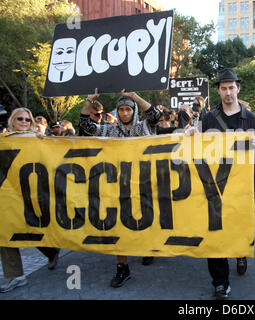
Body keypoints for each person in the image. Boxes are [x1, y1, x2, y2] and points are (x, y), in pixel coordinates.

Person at [79, 88, 163, 288]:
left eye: (128, 109)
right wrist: (89, 101)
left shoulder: (144, 128)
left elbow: (155, 115)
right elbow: (85, 125)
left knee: (145, 219)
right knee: (120, 224)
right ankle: (122, 266)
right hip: (118, 185)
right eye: (122, 110)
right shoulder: (109, 130)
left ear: (134, 111)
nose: (125, 113)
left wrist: (134, 96)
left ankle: (148, 248)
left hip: (143, 183)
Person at [201, 68, 255, 299]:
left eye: (231, 87)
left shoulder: (252, 120)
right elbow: (202, 151)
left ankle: (240, 251)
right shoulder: (207, 119)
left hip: (243, 186)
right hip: (215, 185)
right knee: (214, 231)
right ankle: (220, 281)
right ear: (218, 90)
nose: (228, 92)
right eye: (223, 88)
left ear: (238, 88)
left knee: (239, 228)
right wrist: (189, 137)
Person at [0, 108, 59, 293]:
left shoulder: (38, 139)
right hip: (9, 195)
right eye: (20, 119)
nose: (24, 122)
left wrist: (45, 141)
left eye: (27, 119)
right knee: (5, 232)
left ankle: (51, 251)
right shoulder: (5, 141)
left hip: (34, 194)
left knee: (34, 228)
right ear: (12, 121)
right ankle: (15, 276)